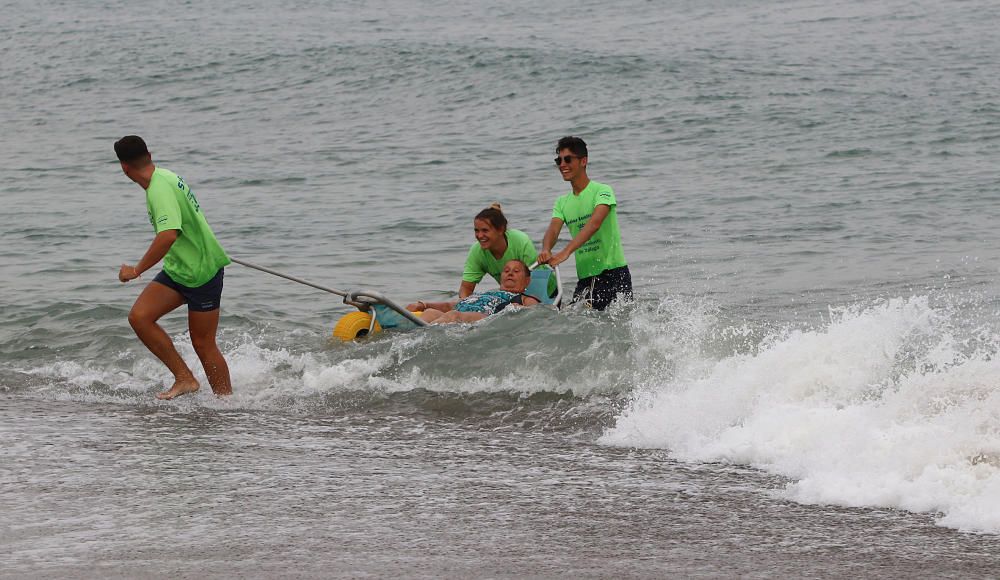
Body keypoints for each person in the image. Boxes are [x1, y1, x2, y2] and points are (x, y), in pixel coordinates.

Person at [114, 135, 232, 400]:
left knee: (203, 344)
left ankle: (227, 404)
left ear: (124, 168)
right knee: (140, 317)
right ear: (150, 155)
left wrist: (136, 270)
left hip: (201, 271)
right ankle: (185, 378)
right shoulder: (164, 175)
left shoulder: (159, 189)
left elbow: (168, 234)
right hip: (179, 268)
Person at [538, 136, 632, 311]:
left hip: (613, 273)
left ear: (583, 161)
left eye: (568, 159)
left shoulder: (602, 191)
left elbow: (594, 223)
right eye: (559, 160)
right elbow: (553, 229)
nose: (562, 165)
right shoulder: (562, 202)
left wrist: (566, 252)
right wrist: (546, 249)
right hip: (585, 278)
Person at [406, 203, 545, 311]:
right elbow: (465, 289)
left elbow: (535, 284)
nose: (479, 236)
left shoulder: (520, 241)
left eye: (485, 230)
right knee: (443, 312)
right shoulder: (477, 251)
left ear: (501, 230)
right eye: (476, 231)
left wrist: (526, 306)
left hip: (543, 292)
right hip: (507, 298)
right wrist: (468, 306)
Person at [418, 260, 540, 324]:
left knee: (453, 315)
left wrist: (518, 309)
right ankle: (407, 338)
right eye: (506, 270)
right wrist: (425, 305)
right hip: (458, 315)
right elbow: (450, 305)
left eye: (516, 271)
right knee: (430, 313)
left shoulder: (523, 297)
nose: (510, 273)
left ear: (527, 280)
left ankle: (419, 338)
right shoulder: (486, 293)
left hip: (484, 318)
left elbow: (535, 312)